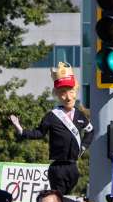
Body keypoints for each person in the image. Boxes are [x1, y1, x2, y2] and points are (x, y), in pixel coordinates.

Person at [10, 62, 92, 195]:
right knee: (58, 197)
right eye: (63, 93)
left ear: (75, 91)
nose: (68, 97)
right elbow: (39, 133)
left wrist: (83, 147)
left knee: (67, 196)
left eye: (71, 92)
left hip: (73, 166)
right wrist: (20, 128)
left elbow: (90, 130)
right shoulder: (52, 116)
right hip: (57, 167)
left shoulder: (79, 115)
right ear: (57, 95)